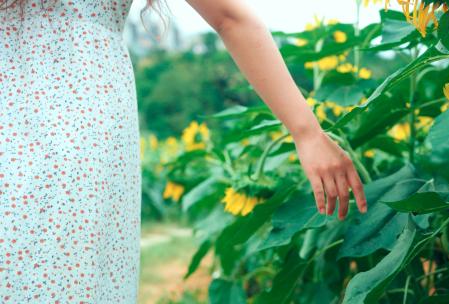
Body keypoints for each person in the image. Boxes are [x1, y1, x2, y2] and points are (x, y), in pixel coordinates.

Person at [0, 0, 367, 302]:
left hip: (72, 125)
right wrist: (305, 134)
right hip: (78, 112)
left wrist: (308, 133)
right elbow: (231, 17)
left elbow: (230, 16)